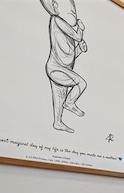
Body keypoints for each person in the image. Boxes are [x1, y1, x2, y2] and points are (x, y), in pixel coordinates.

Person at [41, 0, 88, 133]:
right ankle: (70, 103)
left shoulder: (66, 31)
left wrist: (79, 49)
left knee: (59, 97)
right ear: (55, 6)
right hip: (55, 68)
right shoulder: (56, 20)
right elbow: (78, 36)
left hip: (63, 68)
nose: (73, 11)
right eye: (70, 9)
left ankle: (58, 122)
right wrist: (81, 29)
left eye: (74, 9)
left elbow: (69, 55)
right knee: (81, 83)